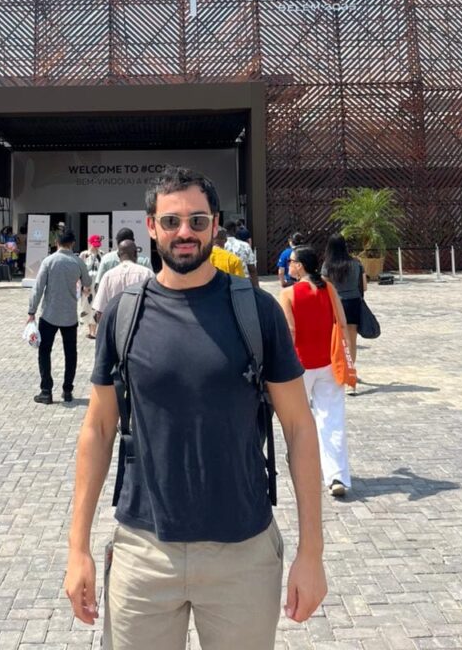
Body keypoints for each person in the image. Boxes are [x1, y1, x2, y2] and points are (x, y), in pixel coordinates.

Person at [65, 166, 326, 650]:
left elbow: (300, 427)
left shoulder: (256, 311)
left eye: (197, 220)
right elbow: (98, 430)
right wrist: (77, 548)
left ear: (216, 224)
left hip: (242, 554)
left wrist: (312, 552)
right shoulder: (126, 313)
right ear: (150, 226)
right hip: (144, 550)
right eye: (171, 221)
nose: (184, 232)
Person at [279, 245, 352, 498]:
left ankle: (302, 469)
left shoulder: (288, 294)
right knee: (331, 419)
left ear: (300, 266)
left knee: (298, 421)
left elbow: (290, 332)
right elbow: (341, 323)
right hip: (329, 361)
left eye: (291, 261)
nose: (289, 265)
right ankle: (337, 477)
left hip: (300, 364)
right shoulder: (329, 288)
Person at [28, 231, 91, 405]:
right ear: (73, 243)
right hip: (70, 315)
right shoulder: (78, 261)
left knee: (44, 351)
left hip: (49, 314)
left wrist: (31, 310)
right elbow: (87, 282)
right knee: (70, 353)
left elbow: (38, 287)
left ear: (57, 242)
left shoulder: (49, 261)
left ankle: (46, 391)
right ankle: (68, 390)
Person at [321, 234, 367, 393]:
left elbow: (324, 287)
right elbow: (365, 287)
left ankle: (336, 372)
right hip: (353, 302)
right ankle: (350, 377)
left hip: (335, 304)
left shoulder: (327, 265)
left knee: (335, 340)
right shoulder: (356, 263)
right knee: (351, 342)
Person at [91, 239, 154, 321]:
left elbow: (99, 312)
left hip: (114, 325)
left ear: (118, 255)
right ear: (135, 254)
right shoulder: (147, 274)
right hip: (140, 325)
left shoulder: (108, 276)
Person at [94, 227, 152, 292]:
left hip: (112, 301)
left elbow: (98, 286)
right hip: (138, 300)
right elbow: (151, 286)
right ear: (133, 241)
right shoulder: (145, 260)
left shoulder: (106, 259)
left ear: (117, 242)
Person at [79, 235, 104, 339]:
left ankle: (94, 331)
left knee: (97, 306)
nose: (96, 247)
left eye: (97, 245)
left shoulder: (102, 254)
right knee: (87, 307)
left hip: (98, 285)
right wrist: (82, 286)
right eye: (94, 245)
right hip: (87, 285)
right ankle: (91, 331)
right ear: (90, 243)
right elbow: (80, 271)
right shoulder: (84, 255)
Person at [225, 221, 259, 287]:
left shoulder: (219, 247)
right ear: (235, 230)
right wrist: (257, 289)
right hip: (243, 283)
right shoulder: (245, 245)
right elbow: (252, 269)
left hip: (225, 283)